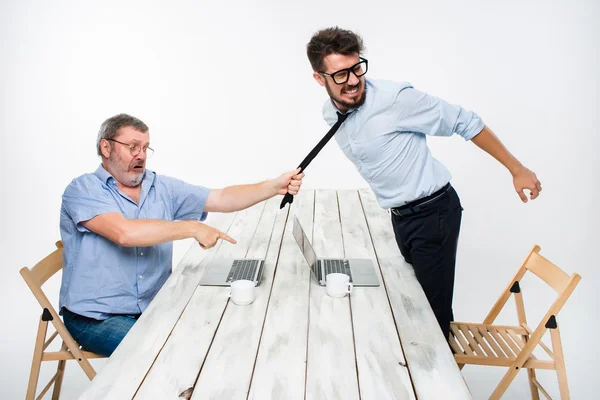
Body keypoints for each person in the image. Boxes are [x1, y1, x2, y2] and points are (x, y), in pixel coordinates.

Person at [306, 27, 541, 342]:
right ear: (320, 79)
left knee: (431, 319)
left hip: (433, 215)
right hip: (400, 218)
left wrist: (517, 168)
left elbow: (465, 121)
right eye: (340, 75)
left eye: (356, 68)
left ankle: (441, 378)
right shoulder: (329, 112)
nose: (352, 80)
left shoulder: (396, 100)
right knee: (425, 304)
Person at [59, 113, 304, 356]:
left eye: (145, 148)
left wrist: (273, 187)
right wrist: (191, 227)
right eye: (132, 147)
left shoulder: (161, 187)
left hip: (153, 306)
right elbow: (124, 233)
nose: (141, 155)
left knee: (219, 334)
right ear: (106, 147)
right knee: (167, 354)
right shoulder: (83, 189)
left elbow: (220, 198)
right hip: (96, 317)